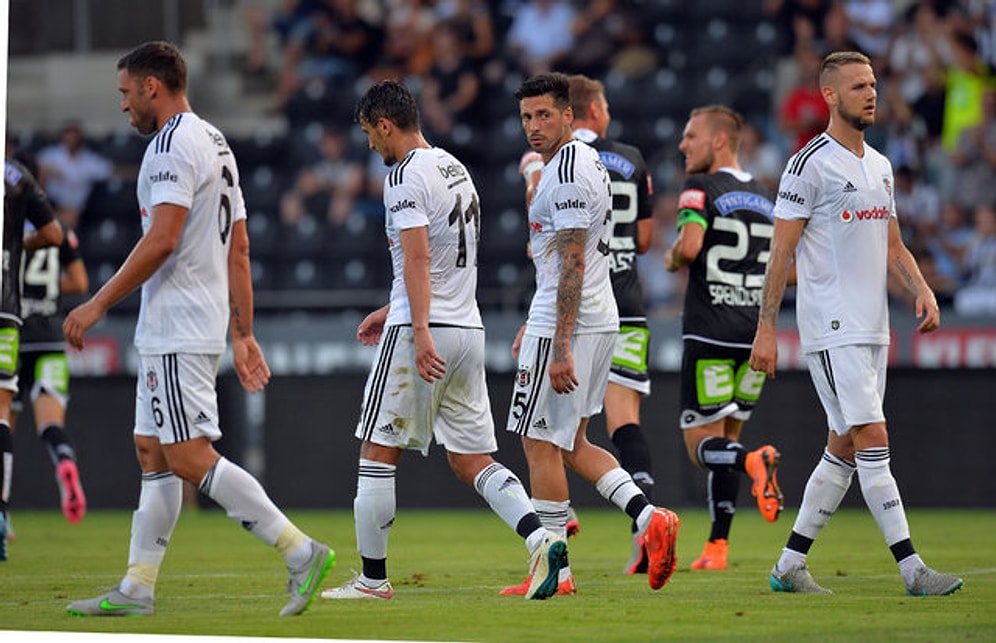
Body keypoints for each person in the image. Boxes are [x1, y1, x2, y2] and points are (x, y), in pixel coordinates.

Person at [62, 41, 333, 616]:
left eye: (126, 92)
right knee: (152, 451)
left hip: (176, 323)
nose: (123, 105)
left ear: (151, 87)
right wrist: (243, 330)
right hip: (191, 318)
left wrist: (97, 304)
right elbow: (239, 243)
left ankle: (299, 551)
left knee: (187, 455)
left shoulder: (169, 146)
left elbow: (161, 239)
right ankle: (137, 588)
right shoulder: (213, 139)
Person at [320, 79, 566, 602]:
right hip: (467, 329)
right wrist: (394, 308)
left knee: (377, 449)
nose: (370, 144)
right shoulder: (454, 167)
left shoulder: (403, 175)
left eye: (369, 133)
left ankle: (372, 579)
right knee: (470, 458)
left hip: (423, 334)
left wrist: (416, 327)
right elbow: (450, 257)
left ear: (385, 125)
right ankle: (542, 539)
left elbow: (418, 257)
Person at [750, 51, 964, 596]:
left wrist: (921, 290)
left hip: (873, 327)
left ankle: (788, 566)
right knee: (872, 436)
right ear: (829, 95)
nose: (871, 94)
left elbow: (893, 244)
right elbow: (781, 254)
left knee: (845, 446)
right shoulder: (808, 164)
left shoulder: (881, 166)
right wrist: (766, 327)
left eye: (873, 84)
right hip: (832, 324)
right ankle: (913, 570)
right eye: (858, 86)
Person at [505, 72, 680, 595]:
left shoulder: (567, 172)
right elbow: (557, 261)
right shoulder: (578, 163)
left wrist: (557, 345)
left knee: (538, 442)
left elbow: (573, 259)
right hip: (594, 315)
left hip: (573, 323)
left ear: (567, 115)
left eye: (543, 115)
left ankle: (553, 570)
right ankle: (648, 519)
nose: (534, 127)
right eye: (526, 118)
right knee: (574, 442)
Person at [664, 105, 784, 572]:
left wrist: (674, 257)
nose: (682, 144)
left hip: (709, 330)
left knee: (700, 446)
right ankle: (718, 546)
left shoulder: (699, 188)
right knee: (726, 441)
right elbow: (783, 269)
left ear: (718, 141)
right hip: (753, 335)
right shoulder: (765, 197)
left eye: (690, 136)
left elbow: (690, 247)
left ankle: (756, 461)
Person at [0, 158, 64, 561]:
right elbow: (54, 233)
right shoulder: (17, 176)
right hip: (9, 311)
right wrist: (17, 245)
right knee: (3, 411)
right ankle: (1, 515)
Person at [15, 218, 89, 525]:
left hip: (12, 335)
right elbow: (81, 282)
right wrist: (45, 291)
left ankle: (3, 517)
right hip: (51, 339)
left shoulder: (8, 220)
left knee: (4, 426)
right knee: (50, 424)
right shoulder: (57, 227)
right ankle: (64, 459)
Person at [36, 121, 114, 230]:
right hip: (54, 205)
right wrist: (46, 171)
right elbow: (31, 169)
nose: (71, 141)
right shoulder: (50, 156)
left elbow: (110, 171)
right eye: (68, 138)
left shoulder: (89, 160)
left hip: (79, 210)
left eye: (74, 138)